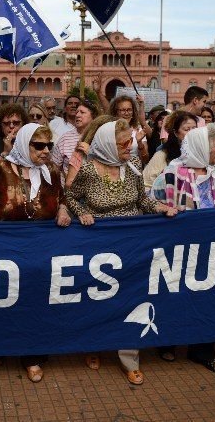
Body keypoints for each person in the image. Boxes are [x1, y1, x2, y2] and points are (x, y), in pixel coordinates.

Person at [65, 119, 177, 384]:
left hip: (133, 247)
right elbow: (69, 195)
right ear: (106, 144)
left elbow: (143, 201)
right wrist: (82, 212)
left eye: (131, 141)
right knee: (97, 300)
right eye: (124, 143)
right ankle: (93, 346)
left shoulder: (135, 167)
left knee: (131, 301)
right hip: (99, 252)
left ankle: (130, 358)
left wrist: (161, 208)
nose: (131, 147)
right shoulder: (90, 170)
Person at [0, 123, 71, 383]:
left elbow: (63, 199)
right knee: (4, 300)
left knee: (34, 303)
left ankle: (32, 356)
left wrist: (62, 210)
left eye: (49, 146)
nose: (46, 151)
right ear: (24, 144)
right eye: (39, 146)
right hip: (5, 248)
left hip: (41, 249)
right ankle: (0, 347)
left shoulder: (52, 171)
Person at [150, 124, 215, 371]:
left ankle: (202, 350)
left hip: (208, 251)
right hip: (177, 251)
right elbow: (153, 206)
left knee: (208, 300)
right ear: (201, 147)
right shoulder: (171, 176)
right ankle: (167, 343)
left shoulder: (214, 175)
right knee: (174, 297)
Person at [142, 111, 198, 190]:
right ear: (176, 133)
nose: (192, 133)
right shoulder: (162, 155)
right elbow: (146, 185)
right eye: (187, 129)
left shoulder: (201, 154)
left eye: (194, 129)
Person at [51, 100, 99, 176]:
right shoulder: (65, 138)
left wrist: (90, 153)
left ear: (93, 116)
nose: (77, 115)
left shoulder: (99, 137)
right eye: (77, 112)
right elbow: (54, 166)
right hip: (68, 186)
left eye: (82, 112)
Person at [107, 95, 150, 164]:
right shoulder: (109, 129)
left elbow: (145, 160)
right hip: (112, 169)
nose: (126, 113)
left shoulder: (139, 130)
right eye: (123, 110)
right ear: (115, 112)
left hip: (133, 171)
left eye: (129, 110)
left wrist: (139, 143)